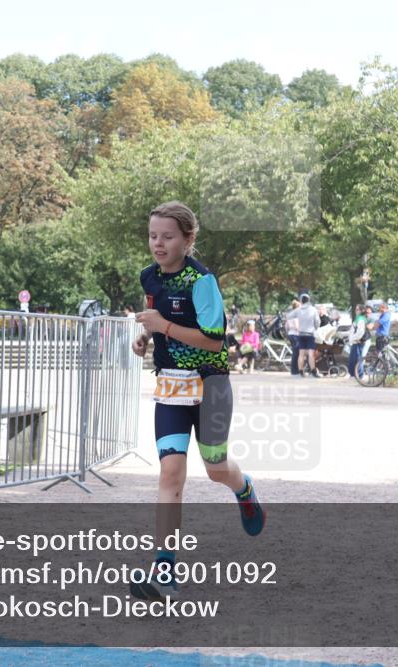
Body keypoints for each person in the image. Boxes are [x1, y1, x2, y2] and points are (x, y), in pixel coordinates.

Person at [131, 201, 265, 601]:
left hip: (211, 387)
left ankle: (244, 490)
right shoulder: (149, 278)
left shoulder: (202, 280)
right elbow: (157, 321)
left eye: (168, 236)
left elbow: (213, 339)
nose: (158, 243)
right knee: (170, 474)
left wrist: (163, 326)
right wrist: (147, 338)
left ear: (188, 239)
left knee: (215, 468)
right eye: (153, 236)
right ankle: (164, 569)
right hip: (171, 389)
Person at [288, 292, 321, 378]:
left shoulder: (298, 310)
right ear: (309, 300)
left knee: (301, 354)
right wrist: (315, 327)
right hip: (310, 334)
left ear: (301, 301)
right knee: (310, 354)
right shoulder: (313, 310)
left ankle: (300, 372)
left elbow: (288, 316)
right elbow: (317, 322)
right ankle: (313, 372)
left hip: (301, 334)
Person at [348, 304, 368, 378]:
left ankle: (359, 374)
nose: (356, 311)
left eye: (357, 309)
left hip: (357, 342)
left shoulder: (361, 319)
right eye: (355, 309)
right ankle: (355, 374)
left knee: (356, 359)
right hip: (355, 341)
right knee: (353, 359)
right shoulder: (358, 318)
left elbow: (360, 332)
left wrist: (354, 338)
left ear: (362, 310)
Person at [284, 299, 301, 376]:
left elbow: (286, 326)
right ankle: (295, 370)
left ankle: (293, 370)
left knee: (295, 353)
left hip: (290, 334)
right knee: (296, 353)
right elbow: (297, 327)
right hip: (296, 335)